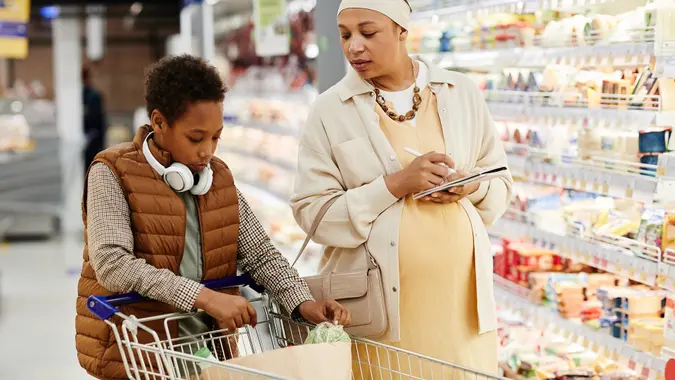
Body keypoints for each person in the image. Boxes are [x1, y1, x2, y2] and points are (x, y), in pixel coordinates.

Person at [75, 55, 351, 380]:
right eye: (196, 138)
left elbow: (260, 255)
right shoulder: (112, 172)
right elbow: (112, 263)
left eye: (216, 137)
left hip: (209, 354)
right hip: (137, 356)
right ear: (159, 122)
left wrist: (302, 302)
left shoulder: (216, 177)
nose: (208, 151)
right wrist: (205, 298)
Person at [290, 0, 513, 378]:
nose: (354, 46)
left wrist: (469, 186)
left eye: (368, 32)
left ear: (402, 31)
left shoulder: (460, 93)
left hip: (463, 313)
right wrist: (394, 185)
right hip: (380, 318)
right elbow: (313, 214)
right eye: (345, 35)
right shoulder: (330, 110)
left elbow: (501, 183)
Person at [82, 67, 107, 173]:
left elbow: (98, 120)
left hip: (91, 140)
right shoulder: (91, 95)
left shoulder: (93, 97)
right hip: (91, 139)